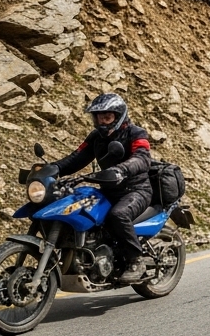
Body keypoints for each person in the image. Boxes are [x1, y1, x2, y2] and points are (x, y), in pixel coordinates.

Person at [48, 93, 154, 282]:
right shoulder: (96, 137)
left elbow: (142, 158)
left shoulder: (136, 133)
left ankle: (136, 260)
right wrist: (53, 168)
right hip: (108, 190)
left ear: (118, 116)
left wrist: (122, 169)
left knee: (118, 215)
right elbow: (76, 158)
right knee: (79, 208)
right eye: (99, 117)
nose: (102, 122)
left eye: (107, 117)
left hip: (136, 190)